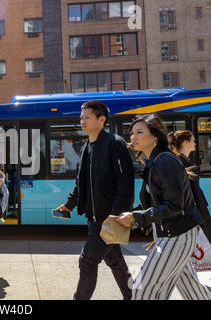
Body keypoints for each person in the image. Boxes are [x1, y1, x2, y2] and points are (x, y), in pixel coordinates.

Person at [116, 114, 211, 300]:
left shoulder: (165, 161)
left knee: (142, 290)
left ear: (155, 136)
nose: (133, 137)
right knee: (195, 292)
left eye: (139, 132)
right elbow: (156, 202)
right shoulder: (154, 162)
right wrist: (131, 215)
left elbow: (174, 205)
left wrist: (137, 217)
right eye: (132, 133)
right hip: (171, 235)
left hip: (176, 236)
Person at [55, 100, 134, 300]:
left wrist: (115, 215)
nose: (82, 121)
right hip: (93, 217)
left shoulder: (115, 144)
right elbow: (80, 183)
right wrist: (69, 205)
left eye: (86, 117)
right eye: (81, 118)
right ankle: (133, 296)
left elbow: (125, 183)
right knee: (115, 262)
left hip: (107, 219)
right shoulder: (86, 147)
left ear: (101, 119)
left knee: (87, 262)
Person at [168, 130, 211, 242]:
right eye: (193, 140)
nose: (195, 143)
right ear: (185, 143)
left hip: (198, 207)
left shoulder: (183, 160)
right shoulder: (181, 161)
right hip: (195, 209)